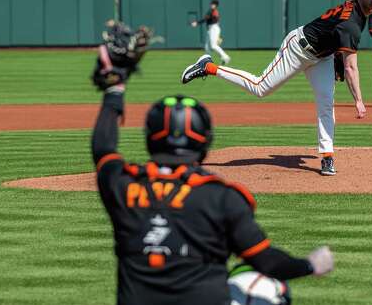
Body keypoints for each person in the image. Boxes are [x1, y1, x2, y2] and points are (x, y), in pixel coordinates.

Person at [90, 25, 334, 304]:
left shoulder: (123, 186)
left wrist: (114, 90)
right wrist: (311, 265)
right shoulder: (223, 198)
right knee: (268, 294)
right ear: (205, 142)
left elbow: (103, 151)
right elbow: (267, 262)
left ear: (149, 138)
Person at [182, 0, 372, 176]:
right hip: (298, 48)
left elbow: (332, 30)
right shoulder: (351, 23)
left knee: (326, 104)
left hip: (322, 57)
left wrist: (336, 52)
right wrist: (359, 101)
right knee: (261, 88)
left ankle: (327, 156)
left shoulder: (358, 12)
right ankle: (209, 67)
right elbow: (350, 68)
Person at [191, 0, 231, 65]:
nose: (212, 5)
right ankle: (208, 61)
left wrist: (197, 23)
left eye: (214, 4)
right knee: (207, 47)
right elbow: (209, 18)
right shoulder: (212, 11)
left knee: (213, 46)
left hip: (214, 28)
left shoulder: (213, 11)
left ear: (216, 5)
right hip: (211, 29)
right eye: (212, 4)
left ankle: (225, 57)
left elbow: (207, 19)